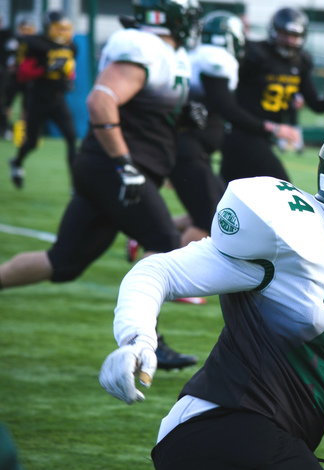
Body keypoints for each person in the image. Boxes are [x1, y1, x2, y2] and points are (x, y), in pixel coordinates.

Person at [98, 115, 324, 469]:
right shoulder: (291, 233)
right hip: (214, 425)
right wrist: (136, 338)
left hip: (281, 444)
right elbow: (158, 270)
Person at [0, 0, 203, 371]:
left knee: (62, 262)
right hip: (113, 168)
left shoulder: (167, 54)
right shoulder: (143, 46)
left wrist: (183, 118)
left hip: (113, 167)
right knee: (163, 244)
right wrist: (125, 164)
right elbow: (101, 100)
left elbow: (145, 112)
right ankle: (147, 344)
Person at [168, 10, 264, 247]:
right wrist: (267, 128)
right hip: (189, 151)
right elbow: (227, 108)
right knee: (209, 220)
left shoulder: (199, 57)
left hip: (193, 150)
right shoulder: (215, 60)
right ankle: (164, 273)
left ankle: (153, 230)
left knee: (218, 208)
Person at [219, 6, 324, 184]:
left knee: (222, 195)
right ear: (274, 31)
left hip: (263, 136)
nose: (290, 41)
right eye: (285, 34)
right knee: (280, 186)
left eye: (295, 36)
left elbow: (314, 102)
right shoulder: (255, 53)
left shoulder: (301, 61)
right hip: (242, 131)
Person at [8, 11, 77, 189]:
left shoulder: (71, 46)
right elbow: (22, 74)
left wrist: (68, 78)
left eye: (66, 28)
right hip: (38, 98)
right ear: (50, 28)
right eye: (59, 28)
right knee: (31, 142)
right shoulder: (35, 43)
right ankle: (16, 162)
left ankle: (75, 186)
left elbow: (70, 70)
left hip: (57, 99)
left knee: (71, 137)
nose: (63, 32)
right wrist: (45, 69)